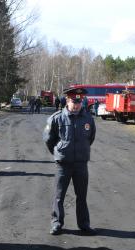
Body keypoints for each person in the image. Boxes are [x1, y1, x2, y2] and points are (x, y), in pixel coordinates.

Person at [43, 87, 96, 236]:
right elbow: (48, 139)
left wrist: (81, 151)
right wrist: (59, 152)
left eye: (80, 101)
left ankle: (84, 225)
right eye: (74, 101)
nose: (77, 105)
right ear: (67, 100)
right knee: (59, 196)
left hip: (81, 164)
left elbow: (90, 137)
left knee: (82, 196)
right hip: (63, 164)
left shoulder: (88, 118)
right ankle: (57, 223)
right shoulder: (57, 118)